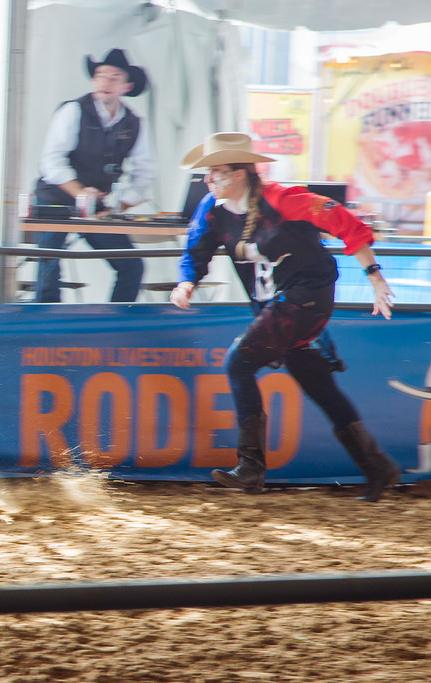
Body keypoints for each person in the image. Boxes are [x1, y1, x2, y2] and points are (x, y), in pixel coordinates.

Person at [169, 132, 399, 502]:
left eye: (219, 173)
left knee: (238, 363)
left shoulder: (283, 200)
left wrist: (374, 277)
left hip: (307, 296)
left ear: (242, 173)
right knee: (318, 385)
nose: (210, 181)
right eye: (208, 175)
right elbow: (196, 249)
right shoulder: (211, 210)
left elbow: (343, 221)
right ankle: (379, 468)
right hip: (277, 305)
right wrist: (186, 283)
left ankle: (250, 467)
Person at [33, 48, 155, 303]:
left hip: (96, 206)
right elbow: (51, 162)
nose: (106, 83)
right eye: (101, 76)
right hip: (54, 199)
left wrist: (116, 205)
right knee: (49, 263)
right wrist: (80, 194)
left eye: (114, 77)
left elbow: (145, 173)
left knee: (131, 265)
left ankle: (117, 328)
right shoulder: (74, 111)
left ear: (127, 85)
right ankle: (44, 329)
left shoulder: (133, 123)